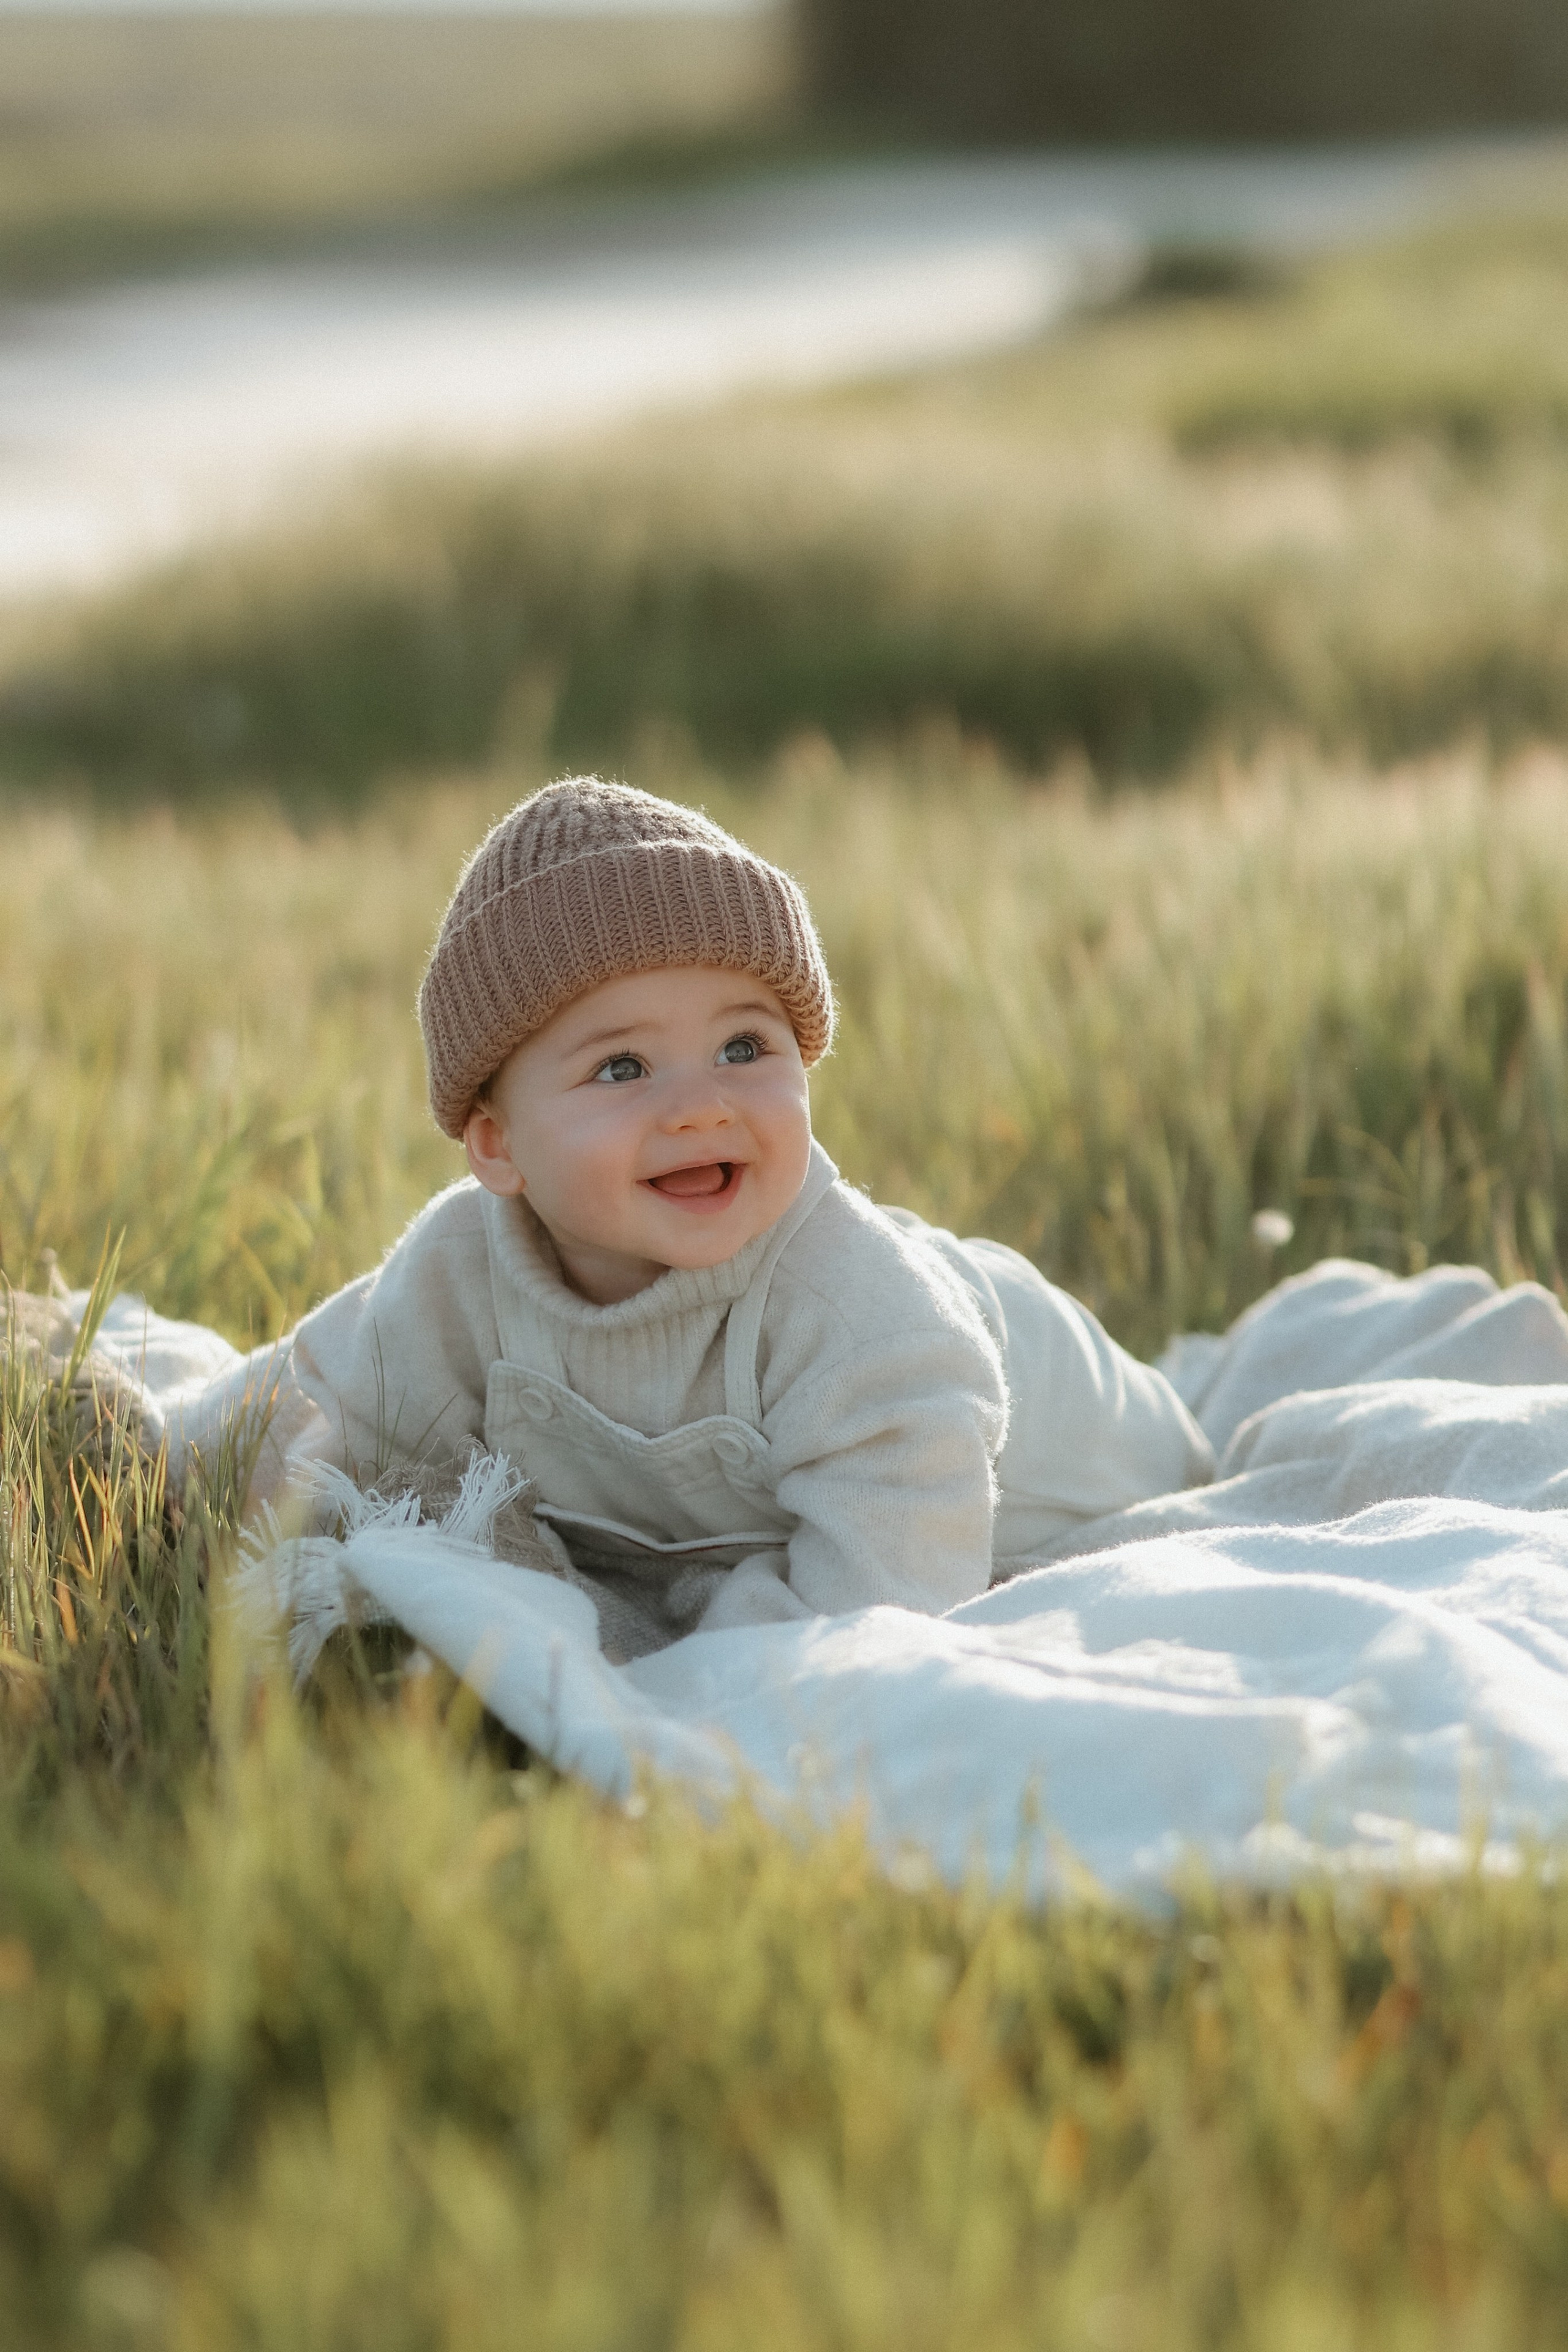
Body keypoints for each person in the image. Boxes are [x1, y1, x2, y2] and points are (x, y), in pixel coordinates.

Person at [278, 777, 1214, 1640]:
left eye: (742, 1048)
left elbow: (882, 1604)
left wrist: (670, 1653)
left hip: (1061, 1450)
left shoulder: (861, 1316)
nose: (700, 1105)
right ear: (497, 1145)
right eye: (622, 1068)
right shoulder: (456, 1271)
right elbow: (360, 1441)